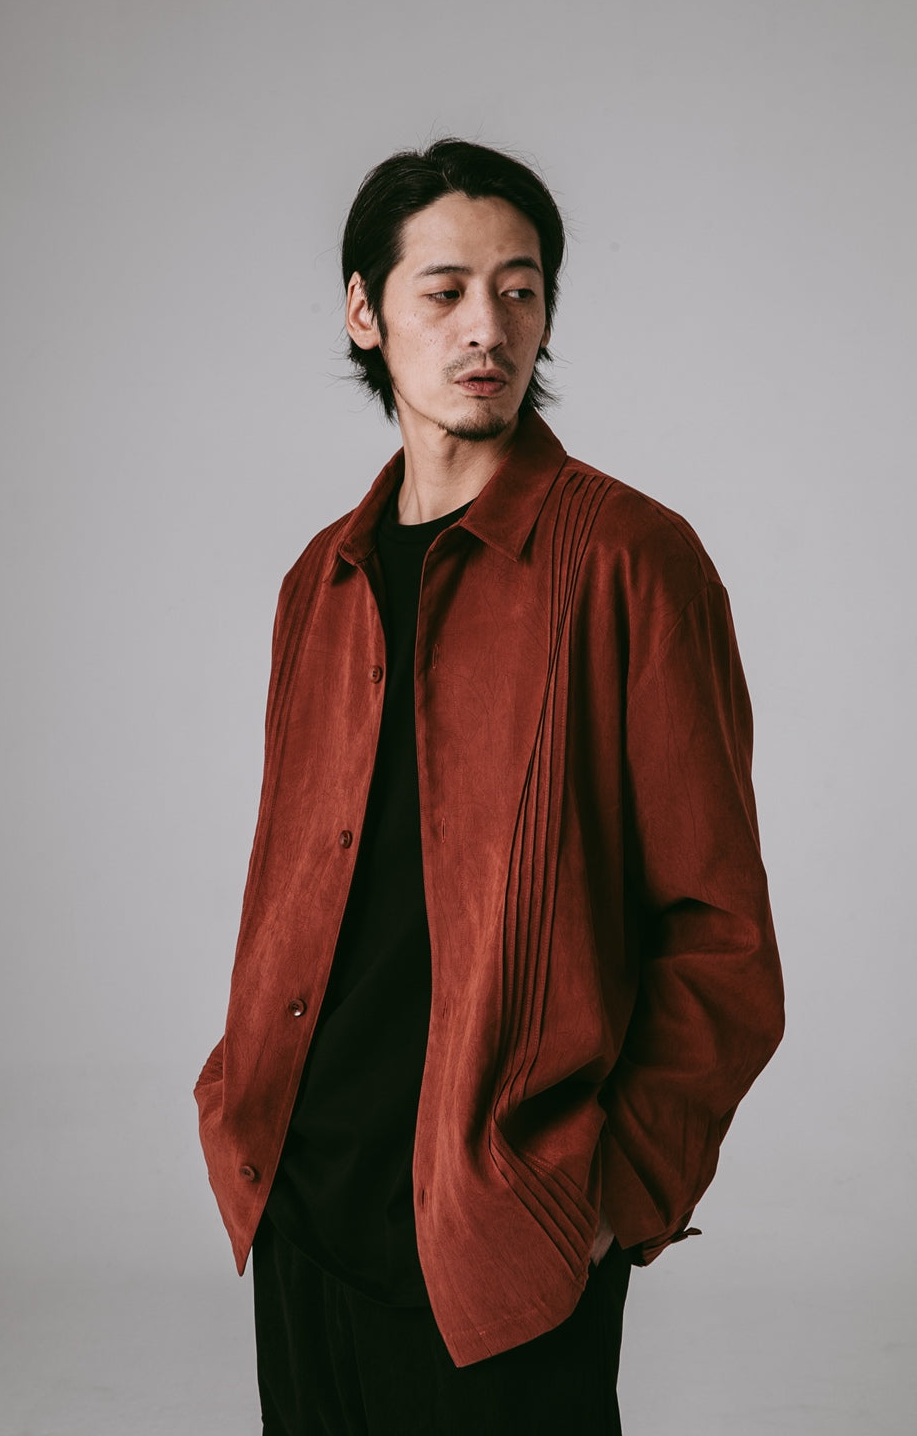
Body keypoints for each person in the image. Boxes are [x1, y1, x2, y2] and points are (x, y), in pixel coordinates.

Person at [194, 138, 785, 1435]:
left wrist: (616, 1197)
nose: (488, 328)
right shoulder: (321, 581)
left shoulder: (630, 561)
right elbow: (294, 877)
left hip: (501, 1229)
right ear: (366, 312)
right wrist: (237, 1097)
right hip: (301, 1192)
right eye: (447, 290)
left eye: (521, 291)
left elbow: (722, 937)